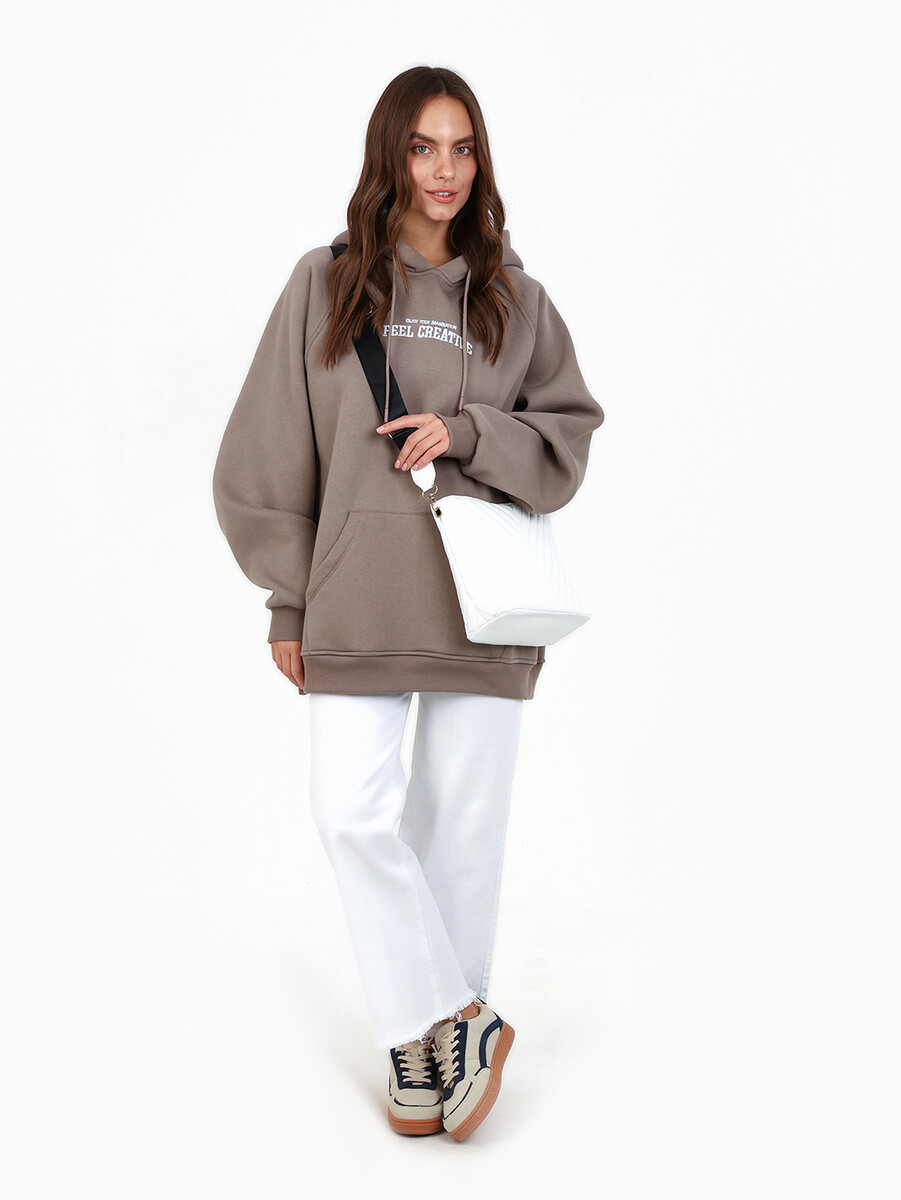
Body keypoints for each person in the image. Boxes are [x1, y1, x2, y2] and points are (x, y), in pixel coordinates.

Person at [212, 65, 605, 1141]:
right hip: (356, 596)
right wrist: (287, 603)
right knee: (350, 814)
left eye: (462, 147)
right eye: (424, 146)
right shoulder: (328, 283)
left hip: (484, 609)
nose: (444, 169)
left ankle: (431, 1054)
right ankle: (450, 1020)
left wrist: (469, 432)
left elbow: (567, 440)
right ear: (391, 154)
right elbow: (264, 451)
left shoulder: (517, 300)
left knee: (458, 833)